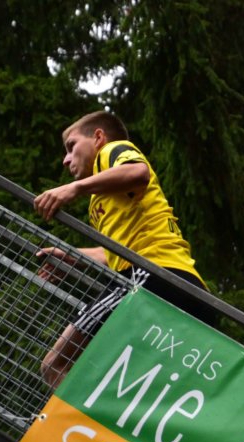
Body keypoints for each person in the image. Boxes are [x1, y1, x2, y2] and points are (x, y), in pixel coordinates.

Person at [33, 111, 212, 388]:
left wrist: (74, 188)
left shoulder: (111, 151)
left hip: (151, 278)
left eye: (71, 146)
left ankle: (88, 427)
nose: (66, 159)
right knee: (145, 385)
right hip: (183, 284)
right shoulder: (101, 197)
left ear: (98, 137)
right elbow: (112, 254)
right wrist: (69, 257)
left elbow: (138, 172)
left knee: (55, 364)